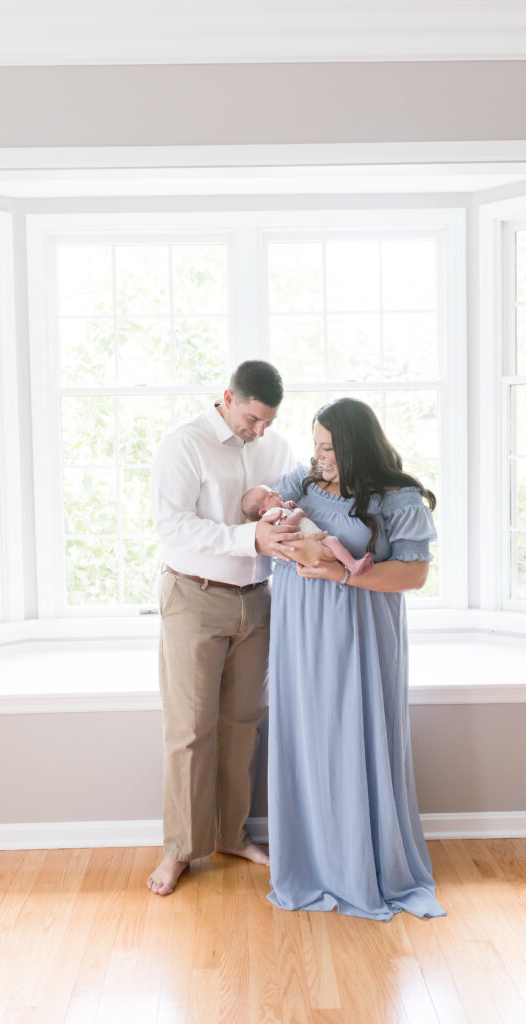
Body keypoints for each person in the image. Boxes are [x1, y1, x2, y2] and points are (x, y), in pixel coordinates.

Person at [267, 397, 446, 920]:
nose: (319, 456)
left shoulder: (398, 498)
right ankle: (312, 863)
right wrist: (286, 541)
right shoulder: (303, 481)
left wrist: (343, 573)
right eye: (316, 444)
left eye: (329, 448)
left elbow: (413, 575)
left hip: (358, 635)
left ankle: (357, 864)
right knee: (308, 740)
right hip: (299, 634)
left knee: (351, 736)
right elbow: (266, 522)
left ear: (355, 446)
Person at [148, 361, 298, 896]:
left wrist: (280, 508)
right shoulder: (184, 445)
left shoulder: (273, 447)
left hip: (257, 602)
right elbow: (172, 525)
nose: (260, 431)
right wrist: (248, 538)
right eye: (254, 419)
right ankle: (180, 850)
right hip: (194, 597)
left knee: (241, 723)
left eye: (269, 422)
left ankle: (232, 833)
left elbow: (293, 505)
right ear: (228, 397)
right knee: (190, 730)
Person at [241, 485, 373, 576]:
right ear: (263, 511)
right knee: (332, 543)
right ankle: (352, 565)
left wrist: (294, 508)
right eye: (270, 495)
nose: (276, 492)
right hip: (311, 540)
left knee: (332, 544)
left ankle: (351, 565)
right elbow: (285, 526)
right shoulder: (273, 513)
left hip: (313, 539)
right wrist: (298, 512)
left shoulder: (279, 510)